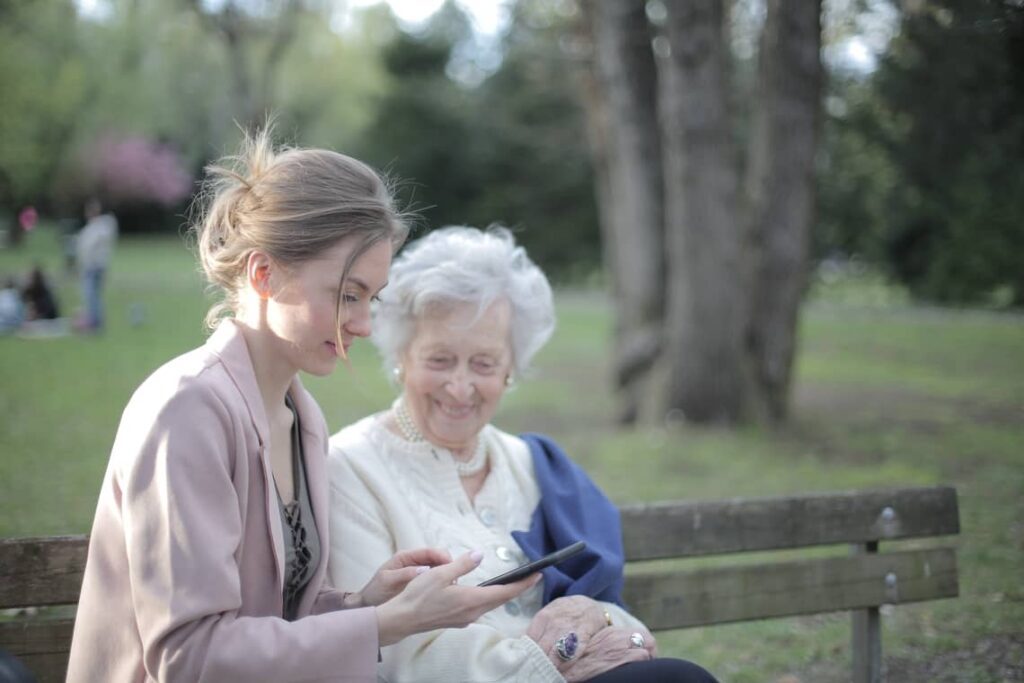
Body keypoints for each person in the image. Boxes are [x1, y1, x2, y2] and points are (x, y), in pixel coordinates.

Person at [66, 132, 538, 683]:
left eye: (371, 298)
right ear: (264, 274)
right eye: (346, 294)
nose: (363, 325)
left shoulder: (300, 416)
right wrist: (383, 625)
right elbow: (189, 658)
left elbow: (273, 618)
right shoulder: (186, 409)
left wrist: (364, 602)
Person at [327, 227, 718, 683]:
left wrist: (597, 619)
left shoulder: (535, 465)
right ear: (401, 357)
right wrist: (550, 661)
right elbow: (390, 653)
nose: (459, 387)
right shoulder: (350, 468)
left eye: (484, 364)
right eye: (439, 360)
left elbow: (624, 625)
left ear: (511, 369)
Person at [75, 197, 118, 331]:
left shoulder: (98, 228)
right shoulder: (100, 228)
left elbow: (88, 248)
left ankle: (95, 323)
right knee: (94, 296)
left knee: (91, 296)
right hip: (97, 266)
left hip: (93, 267)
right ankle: (95, 321)